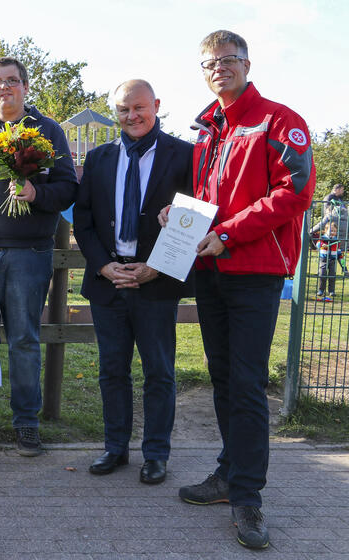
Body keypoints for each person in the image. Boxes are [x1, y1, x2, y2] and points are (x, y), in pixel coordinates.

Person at [162, 30, 316, 549]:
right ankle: (230, 475)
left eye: (228, 59)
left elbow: (292, 194)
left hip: (255, 272)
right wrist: (178, 215)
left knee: (247, 384)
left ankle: (248, 497)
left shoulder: (279, 121)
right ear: (201, 70)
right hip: (211, 272)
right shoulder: (207, 129)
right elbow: (210, 198)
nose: (219, 68)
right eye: (209, 62)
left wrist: (225, 235)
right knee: (224, 378)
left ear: (247, 64)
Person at [0, 56, 77, 456]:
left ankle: (26, 422)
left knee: (24, 341)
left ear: (25, 86)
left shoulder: (48, 131)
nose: (4, 88)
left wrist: (36, 194)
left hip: (28, 254)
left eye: (12, 81)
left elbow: (68, 190)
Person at [74, 80, 192, 484]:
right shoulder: (99, 158)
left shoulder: (185, 155)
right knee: (112, 371)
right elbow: (84, 221)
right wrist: (104, 266)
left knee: (159, 371)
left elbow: (195, 217)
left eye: (139, 107)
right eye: (124, 109)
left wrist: (157, 266)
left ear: (156, 105)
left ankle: (156, 453)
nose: (132, 116)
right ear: (116, 112)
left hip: (156, 282)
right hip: (109, 281)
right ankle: (115, 448)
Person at [316, 222, 344, 301]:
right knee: (322, 274)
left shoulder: (336, 241)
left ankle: (331, 291)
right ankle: (321, 290)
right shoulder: (323, 238)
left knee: (332, 276)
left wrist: (343, 266)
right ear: (325, 230)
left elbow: (339, 254)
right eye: (331, 231)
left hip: (333, 261)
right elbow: (317, 244)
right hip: (323, 260)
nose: (333, 233)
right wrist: (322, 245)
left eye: (335, 231)